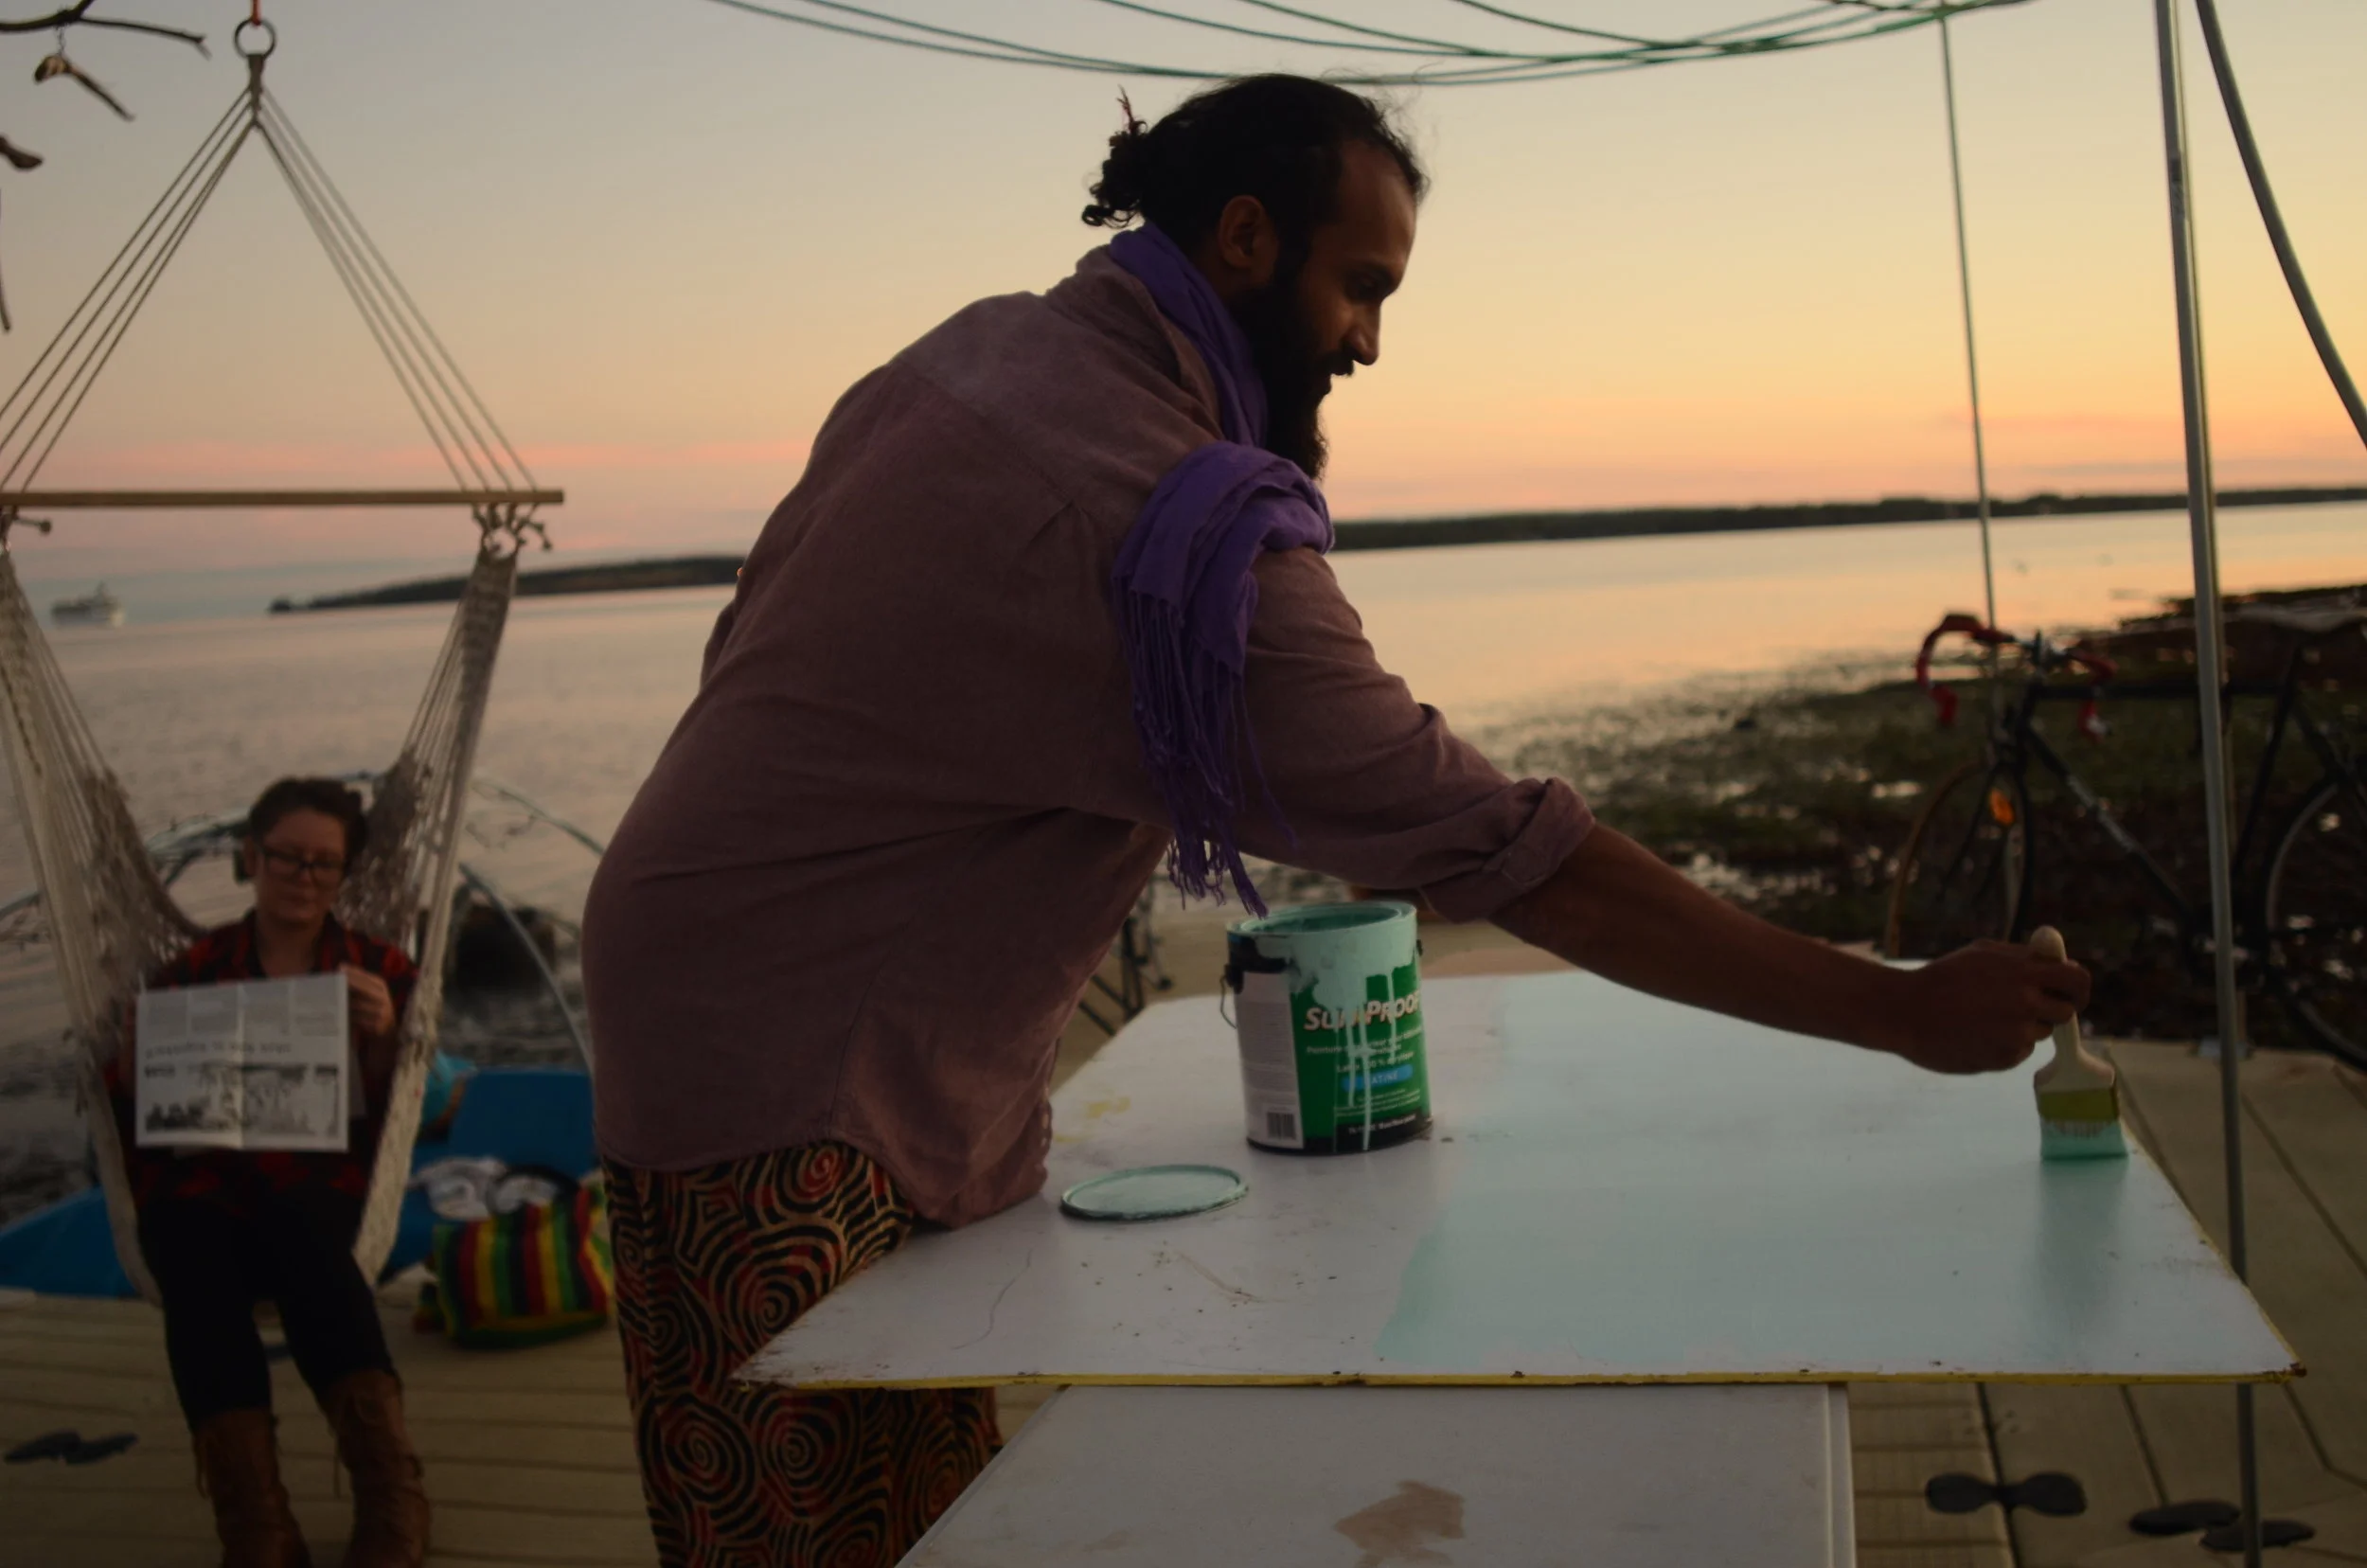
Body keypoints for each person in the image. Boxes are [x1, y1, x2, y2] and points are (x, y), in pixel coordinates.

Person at [582, 75, 2089, 1567]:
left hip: (721, 970)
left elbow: (758, 626)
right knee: (816, 1520)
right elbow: (1512, 853)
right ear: (1246, 238)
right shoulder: (1162, 522)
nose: (1370, 340)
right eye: (1361, 285)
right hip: (777, 1075)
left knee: (916, 1496)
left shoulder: (984, 354)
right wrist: (1896, 1010)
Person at [108, 776, 431, 1568]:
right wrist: (132, 1057)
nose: (305, 876)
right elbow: (134, 1114)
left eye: (325, 864)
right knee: (188, 1250)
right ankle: (256, 1525)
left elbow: (405, 1106)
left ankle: (391, 1494)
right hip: (205, 1183)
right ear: (251, 857)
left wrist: (386, 1035)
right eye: (288, 857)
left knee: (299, 1230)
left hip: (315, 1180)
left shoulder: (377, 969)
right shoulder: (188, 975)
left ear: (344, 875)